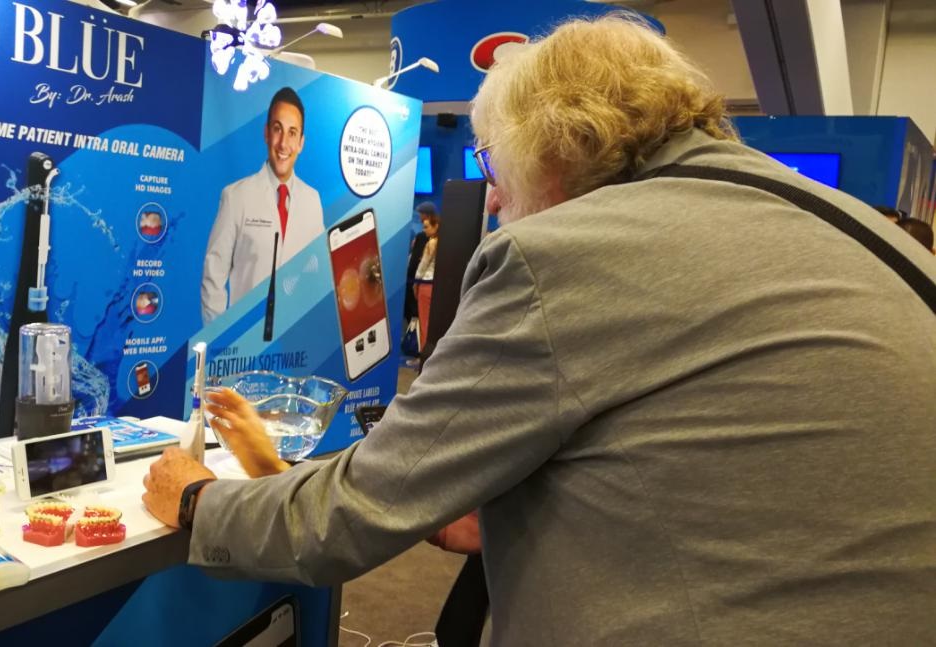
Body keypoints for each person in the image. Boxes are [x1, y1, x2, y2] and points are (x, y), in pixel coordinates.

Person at [145, 14, 936, 644]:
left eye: (493, 167)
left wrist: (197, 501)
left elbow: (345, 518)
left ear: (555, 149)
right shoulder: (859, 231)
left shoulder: (569, 253)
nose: (490, 200)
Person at [201, 87, 324, 323]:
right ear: (266, 133)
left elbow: (315, 272)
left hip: (295, 338)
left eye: (292, 133)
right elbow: (212, 277)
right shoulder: (236, 197)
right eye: (278, 129)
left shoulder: (312, 201)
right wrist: (223, 337)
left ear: (301, 143)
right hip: (247, 338)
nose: (283, 143)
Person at [414, 206, 440, 351]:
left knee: (424, 323)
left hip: (425, 285)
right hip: (435, 285)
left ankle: (423, 356)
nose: (424, 230)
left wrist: (415, 283)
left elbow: (422, 266)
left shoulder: (431, 243)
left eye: (426, 227)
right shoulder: (443, 242)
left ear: (436, 226)